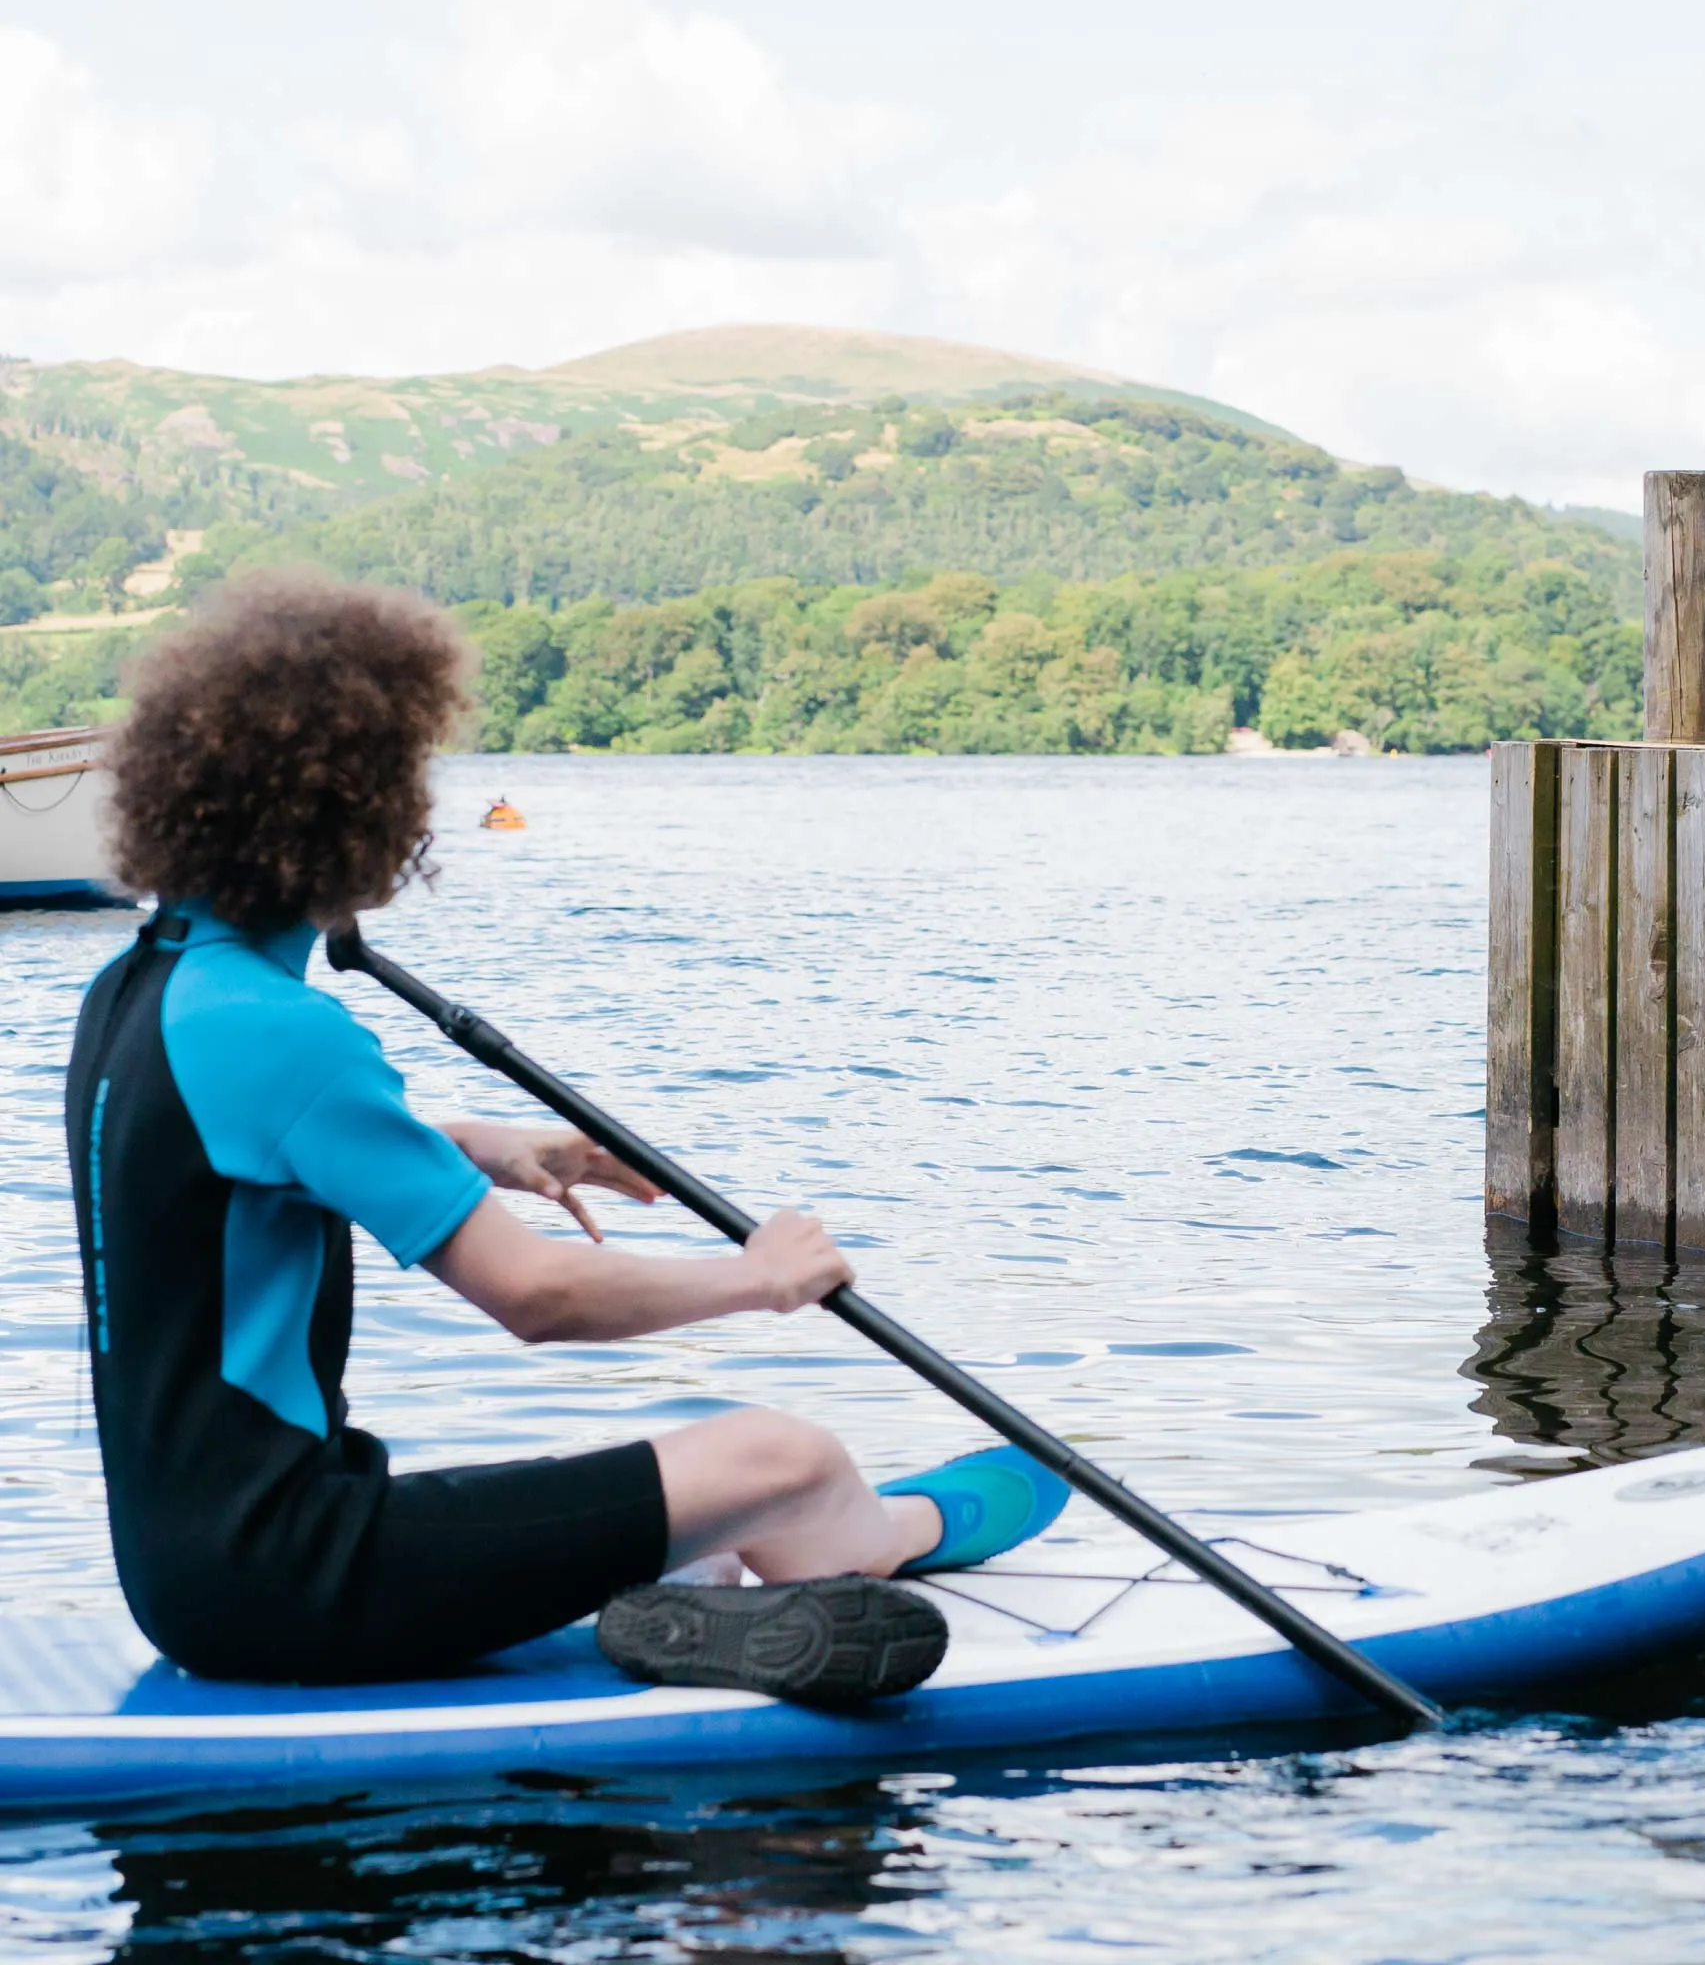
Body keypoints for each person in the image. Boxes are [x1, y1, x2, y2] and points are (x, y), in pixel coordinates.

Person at [66, 572, 1067, 1706]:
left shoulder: (139, 994)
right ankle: (879, 1531)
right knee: (783, 1453)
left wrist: (473, 1146)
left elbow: (206, 1174)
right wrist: (759, 1279)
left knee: (703, 1490)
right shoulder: (281, 1028)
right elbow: (537, 1297)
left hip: (187, 1572)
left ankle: (715, 1586)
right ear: (352, 810)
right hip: (294, 1578)